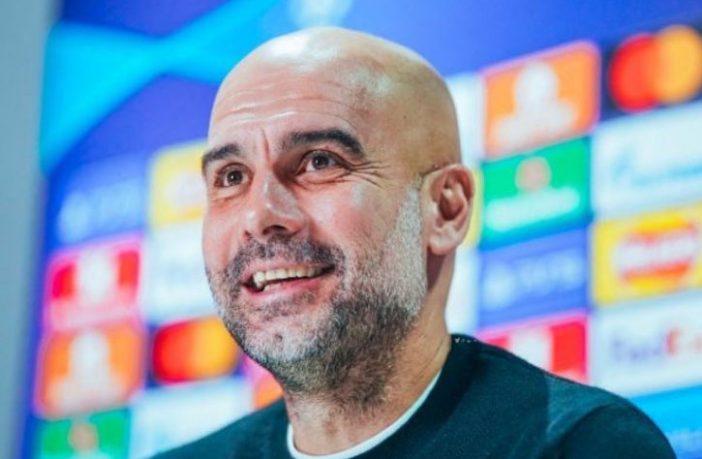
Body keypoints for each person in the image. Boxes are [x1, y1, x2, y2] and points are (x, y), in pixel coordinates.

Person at [155, 27, 675, 459]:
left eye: (319, 161)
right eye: (231, 177)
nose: (260, 215)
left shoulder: (581, 445)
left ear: (446, 209)